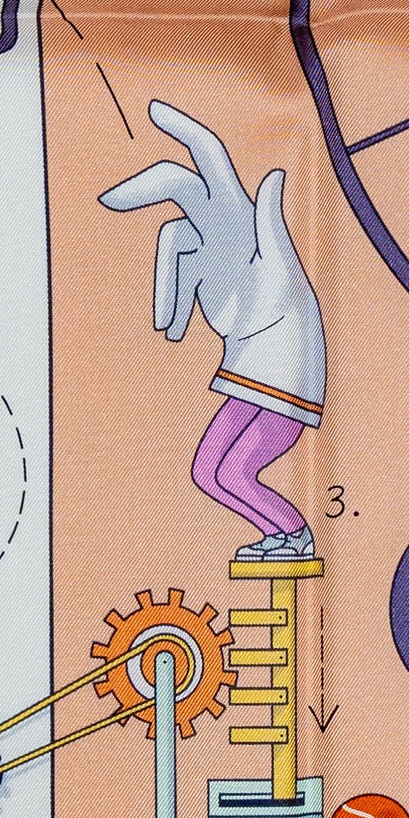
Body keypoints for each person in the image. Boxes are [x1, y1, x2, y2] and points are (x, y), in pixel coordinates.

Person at [101, 100, 325, 562]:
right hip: (248, 373)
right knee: (208, 473)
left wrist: (270, 318)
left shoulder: (273, 263)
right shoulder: (229, 264)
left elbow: (274, 289)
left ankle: (294, 533)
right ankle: (281, 534)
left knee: (233, 471)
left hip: (283, 381)